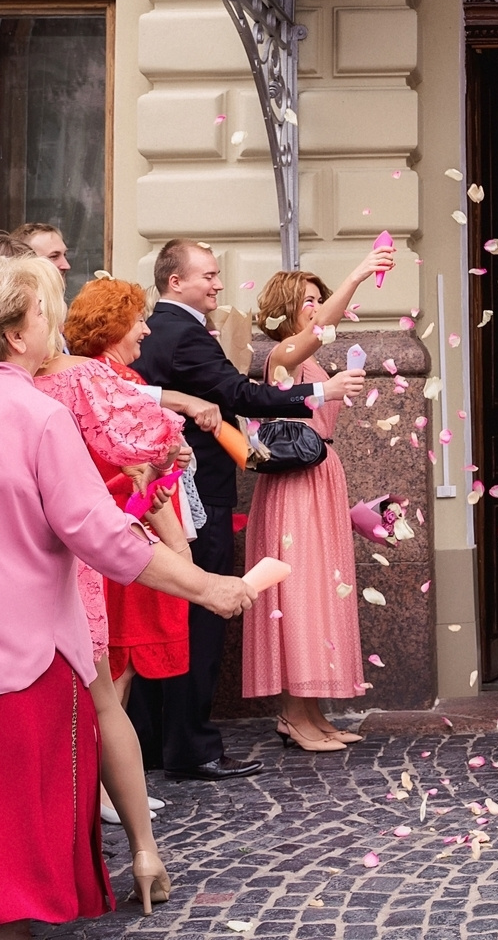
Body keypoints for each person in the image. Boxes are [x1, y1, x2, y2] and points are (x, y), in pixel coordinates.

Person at [0, 260, 257, 940]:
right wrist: (210, 587)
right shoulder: (38, 416)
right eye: (43, 313)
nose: (52, 323)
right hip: (8, 655)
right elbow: (101, 535)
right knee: (12, 868)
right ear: (17, 334)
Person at [132, 239, 339, 783]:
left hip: (164, 497)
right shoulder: (183, 334)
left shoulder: (157, 330)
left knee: (168, 619)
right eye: (209, 275)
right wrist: (319, 391)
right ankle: (194, 747)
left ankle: (155, 741)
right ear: (175, 281)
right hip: (196, 498)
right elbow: (239, 394)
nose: (218, 283)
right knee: (201, 617)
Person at [26, 263, 190, 912]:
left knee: (69, 710)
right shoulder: (91, 381)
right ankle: (139, 850)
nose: (146, 329)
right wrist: (180, 553)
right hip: (90, 557)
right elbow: (147, 472)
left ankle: (37, 864)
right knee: (102, 701)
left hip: (12, 572)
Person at [244, 245, 391, 749]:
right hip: (294, 485)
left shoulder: (312, 363)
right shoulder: (281, 358)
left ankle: (313, 714)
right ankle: (293, 717)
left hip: (322, 478)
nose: (315, 306)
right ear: (285, 309)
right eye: (306, 300)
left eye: (317, 298)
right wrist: (356, 274)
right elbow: (318, 332)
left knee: (317, 594)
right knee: (297, 595)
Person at [63, 279, 221, 701]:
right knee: (117, 675)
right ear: (111, 327)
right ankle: (108, 767)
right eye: (137, 321)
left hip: (112, 535)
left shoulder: (105, 377)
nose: (147, 330)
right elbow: (136, 477)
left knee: (114, 673)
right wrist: (182, 554)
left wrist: (168, 464)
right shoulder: (105, 382)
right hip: (126, 539)